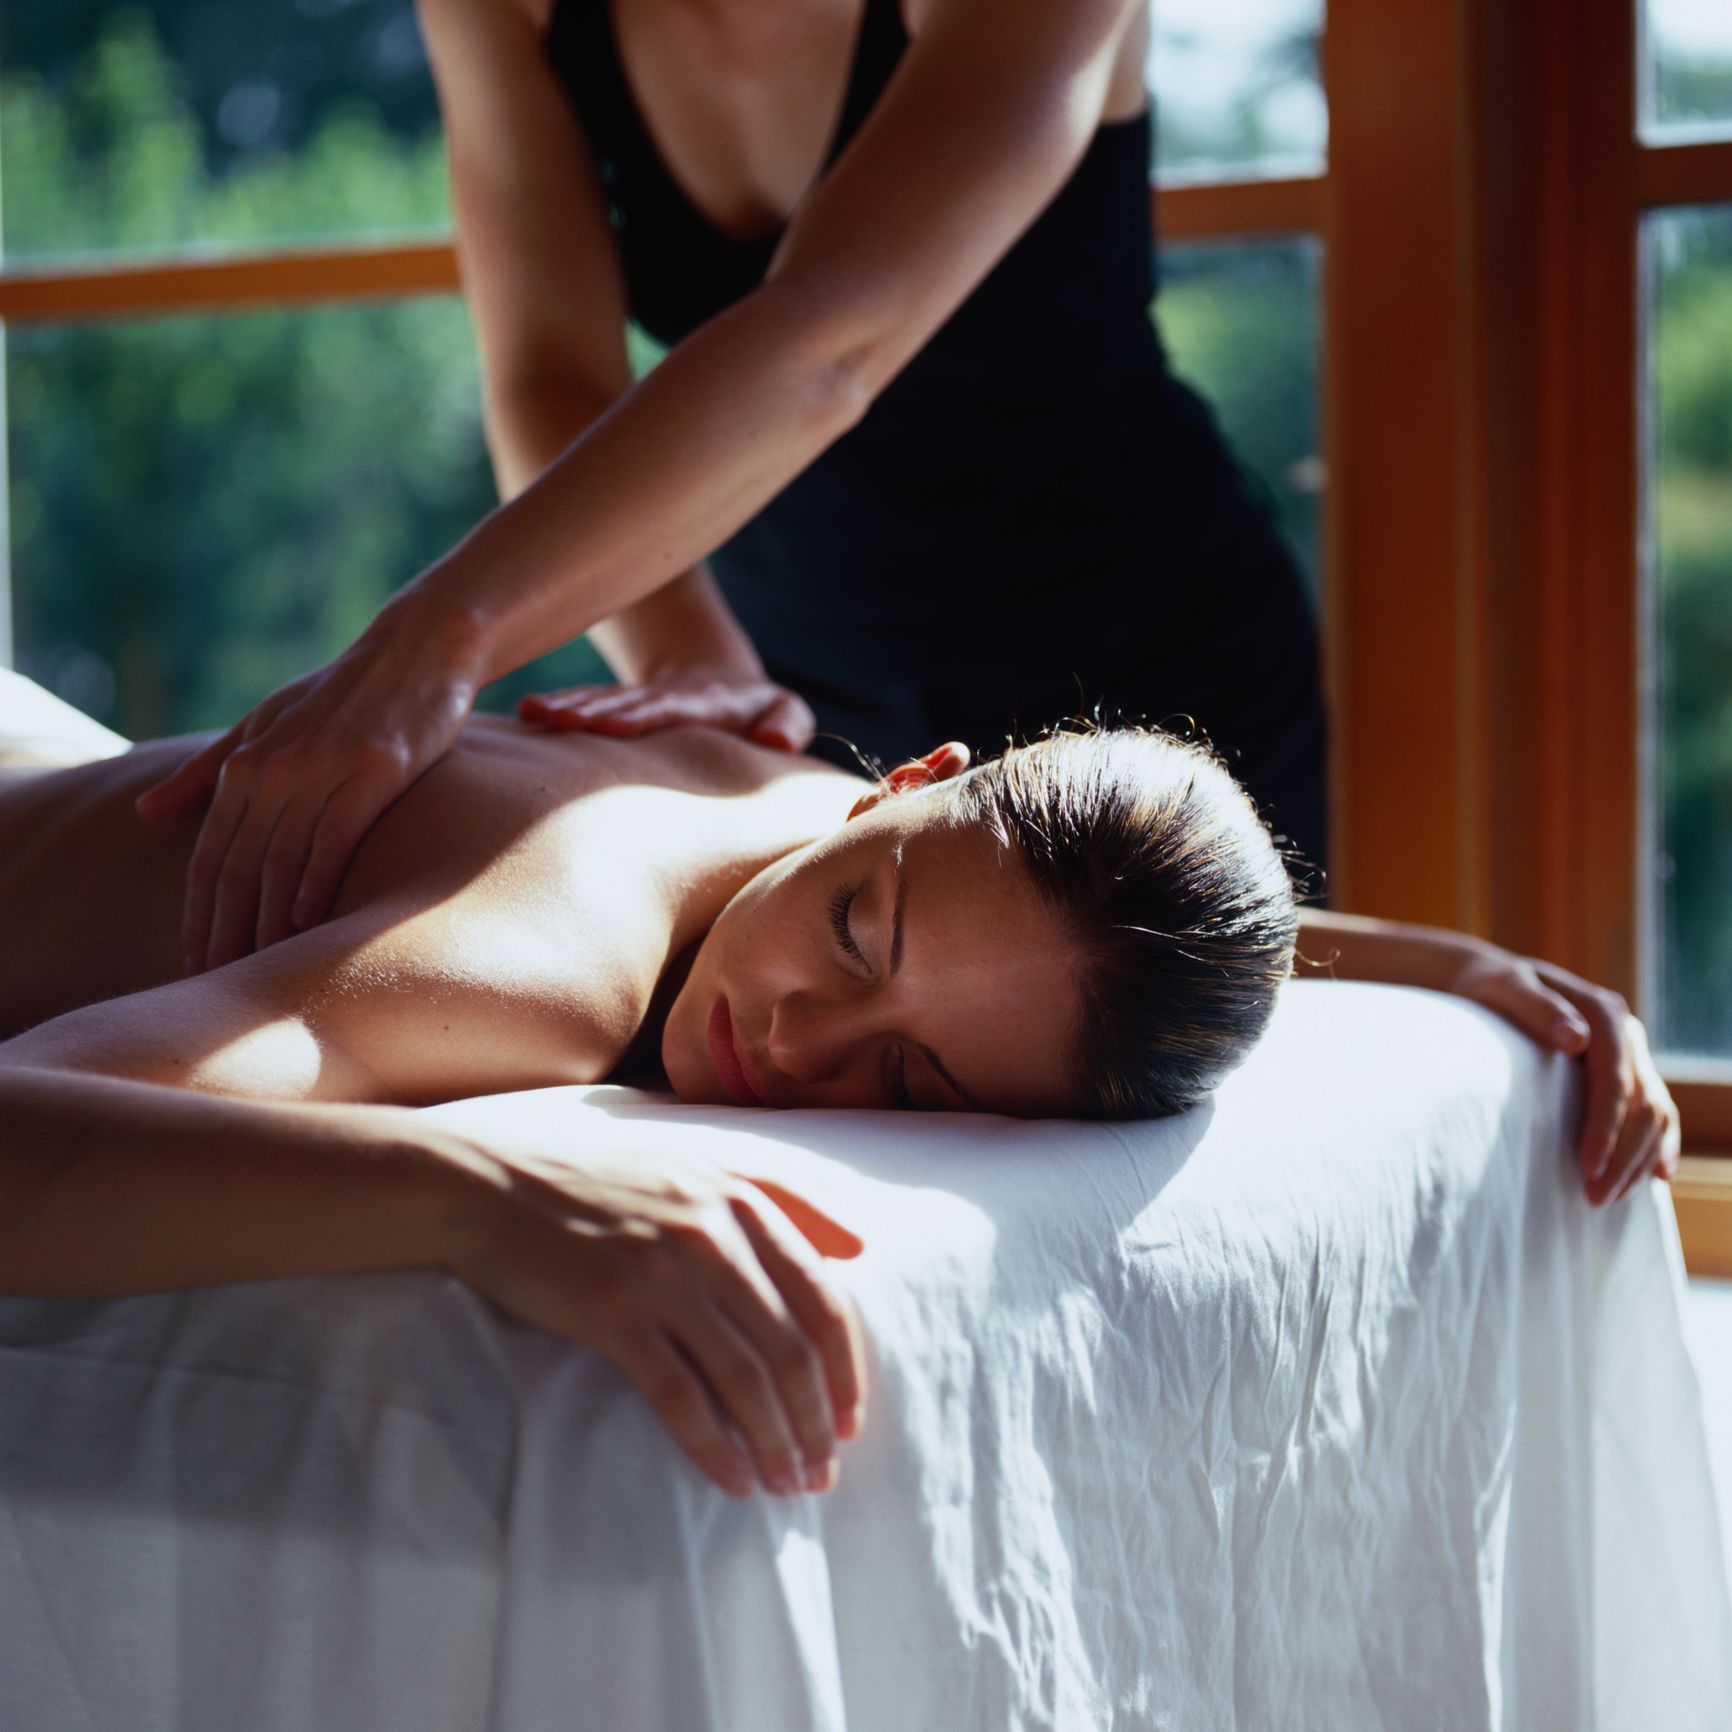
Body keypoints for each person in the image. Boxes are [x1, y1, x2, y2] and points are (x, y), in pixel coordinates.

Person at [0, 672, 1677, 1499]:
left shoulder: (802, 801)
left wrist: (1437, 957)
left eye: (914, 1077)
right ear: (900, 784)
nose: (798, 1042)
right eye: (856, 933)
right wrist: (486, 1202)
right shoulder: (534, 965)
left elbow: (1044, 925)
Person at [133, 0, 1329, 978]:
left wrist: (436, 633)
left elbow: (830, 345)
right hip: (801, 692)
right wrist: (689, 660)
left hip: (1146, 674)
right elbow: (552, 374)